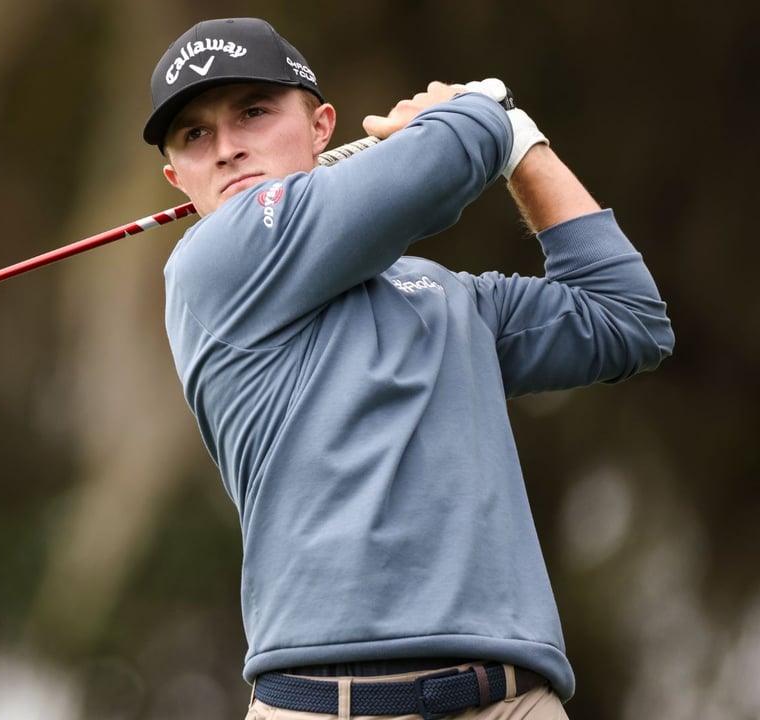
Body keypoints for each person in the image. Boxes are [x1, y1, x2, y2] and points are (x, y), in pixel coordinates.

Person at [144, 17, 674, 720]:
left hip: (511, 701)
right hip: (322, 704)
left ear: (322, 127)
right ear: (176, 178)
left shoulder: (445, 294)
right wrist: (484, 112)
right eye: (195, 135)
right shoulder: (211, 266)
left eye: (253, 112)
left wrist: (524, 146)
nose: (229, 149)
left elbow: (625, 319)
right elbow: (450, 155)